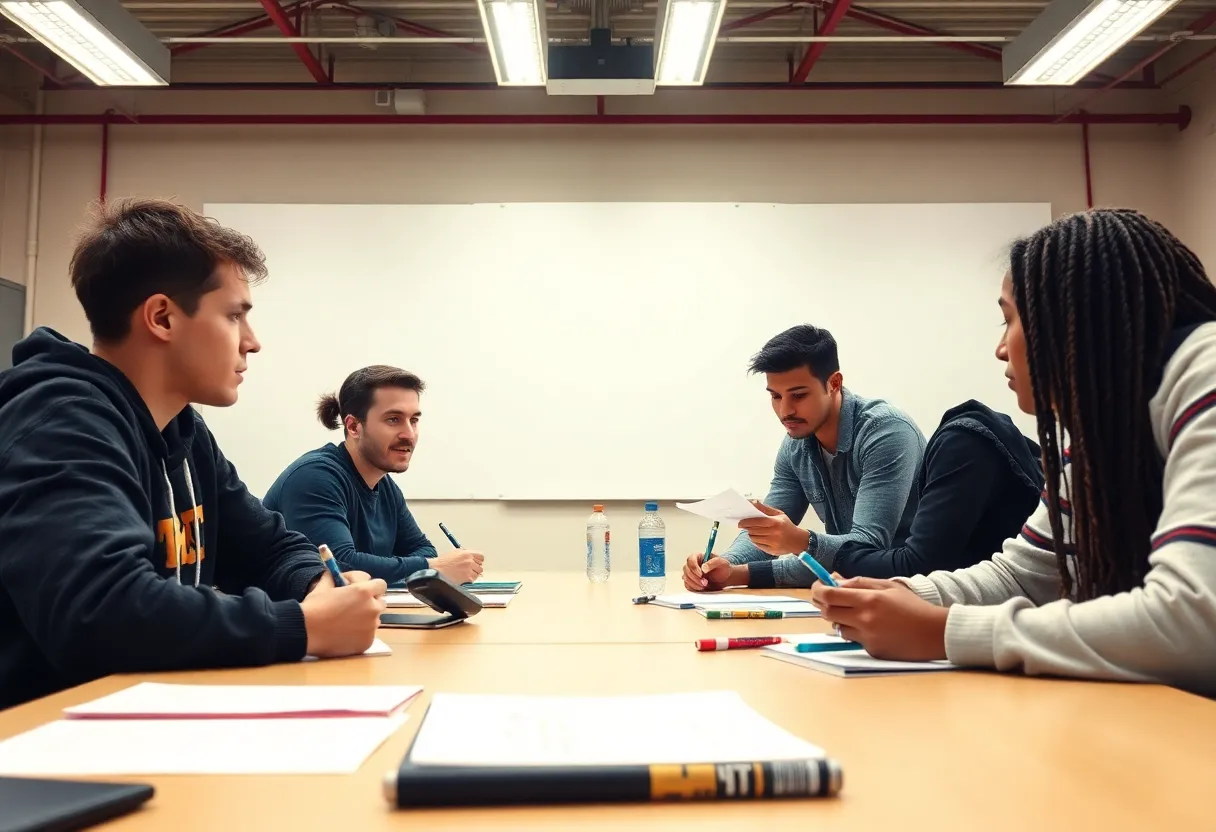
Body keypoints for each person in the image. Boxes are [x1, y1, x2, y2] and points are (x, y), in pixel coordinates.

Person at [811, 208, 1216, 698]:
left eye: (1009, 319)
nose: (1001, 349)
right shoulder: (1100, 427)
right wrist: (906, 596)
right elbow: (1025, 576)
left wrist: (944, 631)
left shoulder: (1205, 373)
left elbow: (1194, 621)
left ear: (1071, 319)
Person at [0, 199, 386, 711]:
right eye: (234, 316)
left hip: (143, 716)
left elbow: (268, 547)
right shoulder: (60, 423)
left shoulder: (183, 428)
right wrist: (302, 626)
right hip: (45, 738)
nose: (252, 342)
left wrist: (317, 584)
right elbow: (101, 612)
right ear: (162, 317)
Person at [684, 324, 926, 591]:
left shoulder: (887, 432)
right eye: (776, 396)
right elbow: (767, 528)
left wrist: (802, 542)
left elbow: (868, 549)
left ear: (834, 384)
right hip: (852, 589)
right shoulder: (795, 445)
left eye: (798, 395)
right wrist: (724, 567)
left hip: (916, 591)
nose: (785, 411)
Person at [264, 366, 485, 586]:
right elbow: (340, 565)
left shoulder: (384, 484)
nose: (409, 434)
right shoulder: (314, 477)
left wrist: (425, 564)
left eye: (414, 420)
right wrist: (433, 567)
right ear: (353, 426)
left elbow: (423, 549)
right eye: (393, 419)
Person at [828, 400, 1043, 578]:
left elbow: (919, 565)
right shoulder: (966, 437)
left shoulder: (962, 442)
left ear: (834, 383)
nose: (1005, 366)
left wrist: (837, 557)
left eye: (803, 394)